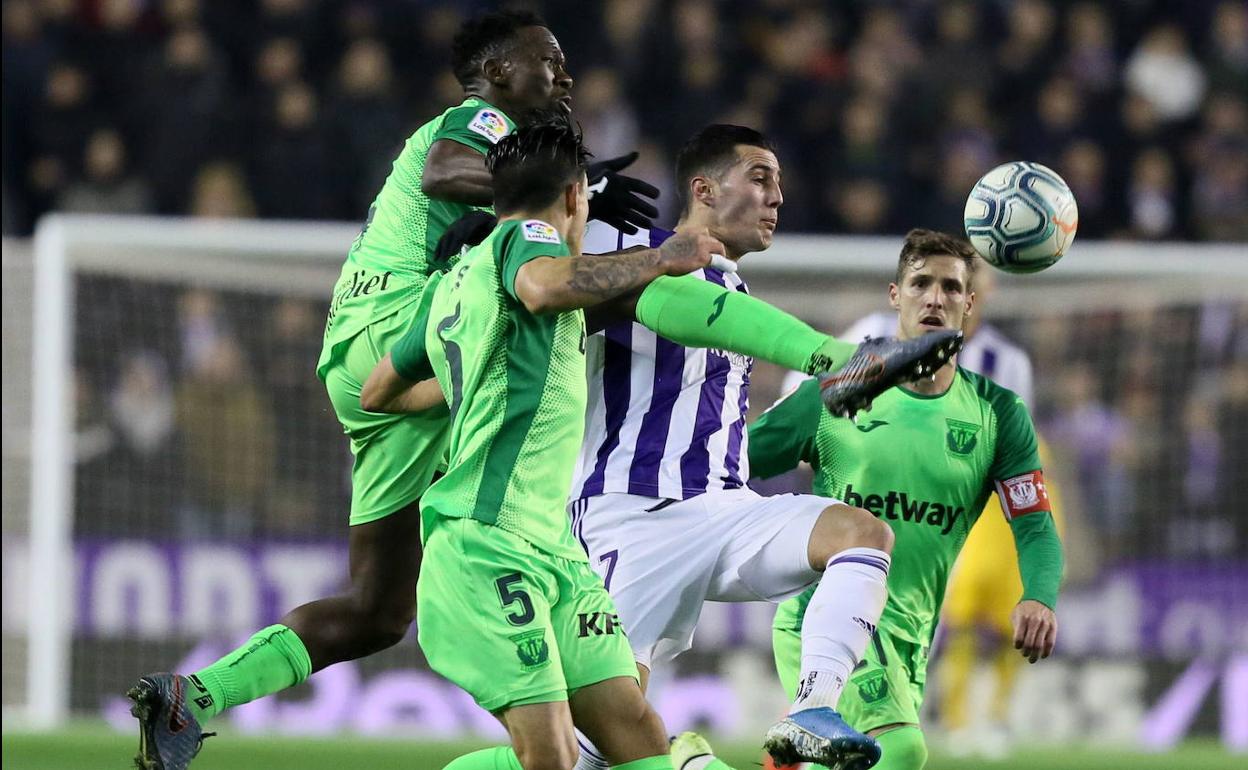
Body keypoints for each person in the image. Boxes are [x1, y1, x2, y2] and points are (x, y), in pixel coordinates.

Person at [125, 11, 658, 769]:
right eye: (550, 62)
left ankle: (193, 697)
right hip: (399, 323)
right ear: (499, 71)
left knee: (378, 612)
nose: (565, 77)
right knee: (534, 352)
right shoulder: (478, 118)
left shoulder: (502, 199)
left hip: (372, 364)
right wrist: (576, 191)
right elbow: (448, 169)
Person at [554, 126, 968, 770]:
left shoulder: (738, 294)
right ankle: (686, 762)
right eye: (759, 178)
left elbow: (735, 443)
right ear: (704, 190)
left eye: (779, 182)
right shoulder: (637, 260)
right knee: (584, 757)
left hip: (724, 509)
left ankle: (811, 707)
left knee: (860, 533)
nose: (777, 197)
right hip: (630, 516)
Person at [405, 117, 716, 770]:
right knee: (550, 758)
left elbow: (379, 389)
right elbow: (546, 284)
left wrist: (470, 383)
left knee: (633, 729)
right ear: (577, 197)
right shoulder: (527, 238)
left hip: (552, 548)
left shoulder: (457, 281)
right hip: (490, 539)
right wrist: (664, 255)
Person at [745, 230, 1064, 770]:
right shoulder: (835, 392)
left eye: (950, 287)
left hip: (912, 633)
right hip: (822, 620)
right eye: (920, 283)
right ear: (895, 295)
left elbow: (1033, 523)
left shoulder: (997, 414)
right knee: (901, 751)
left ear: (970, 303)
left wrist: (1040, 595)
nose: (935, 298)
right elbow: (735, 461)